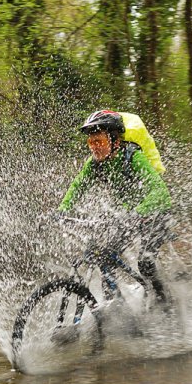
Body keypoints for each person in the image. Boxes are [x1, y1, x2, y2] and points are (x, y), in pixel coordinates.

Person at [59, 109, 172, 303]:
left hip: (157, 213)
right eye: (91, 142)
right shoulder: (95, 164)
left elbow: (162, 194)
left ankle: (165, 303)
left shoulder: (133, 157)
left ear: (115, 141)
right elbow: (78, 186)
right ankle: (116, 306)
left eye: (99, 142)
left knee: (145, 264)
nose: (94, 148)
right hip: (130, 215)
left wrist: (137, 213)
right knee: (104, 256)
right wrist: (62, 210)